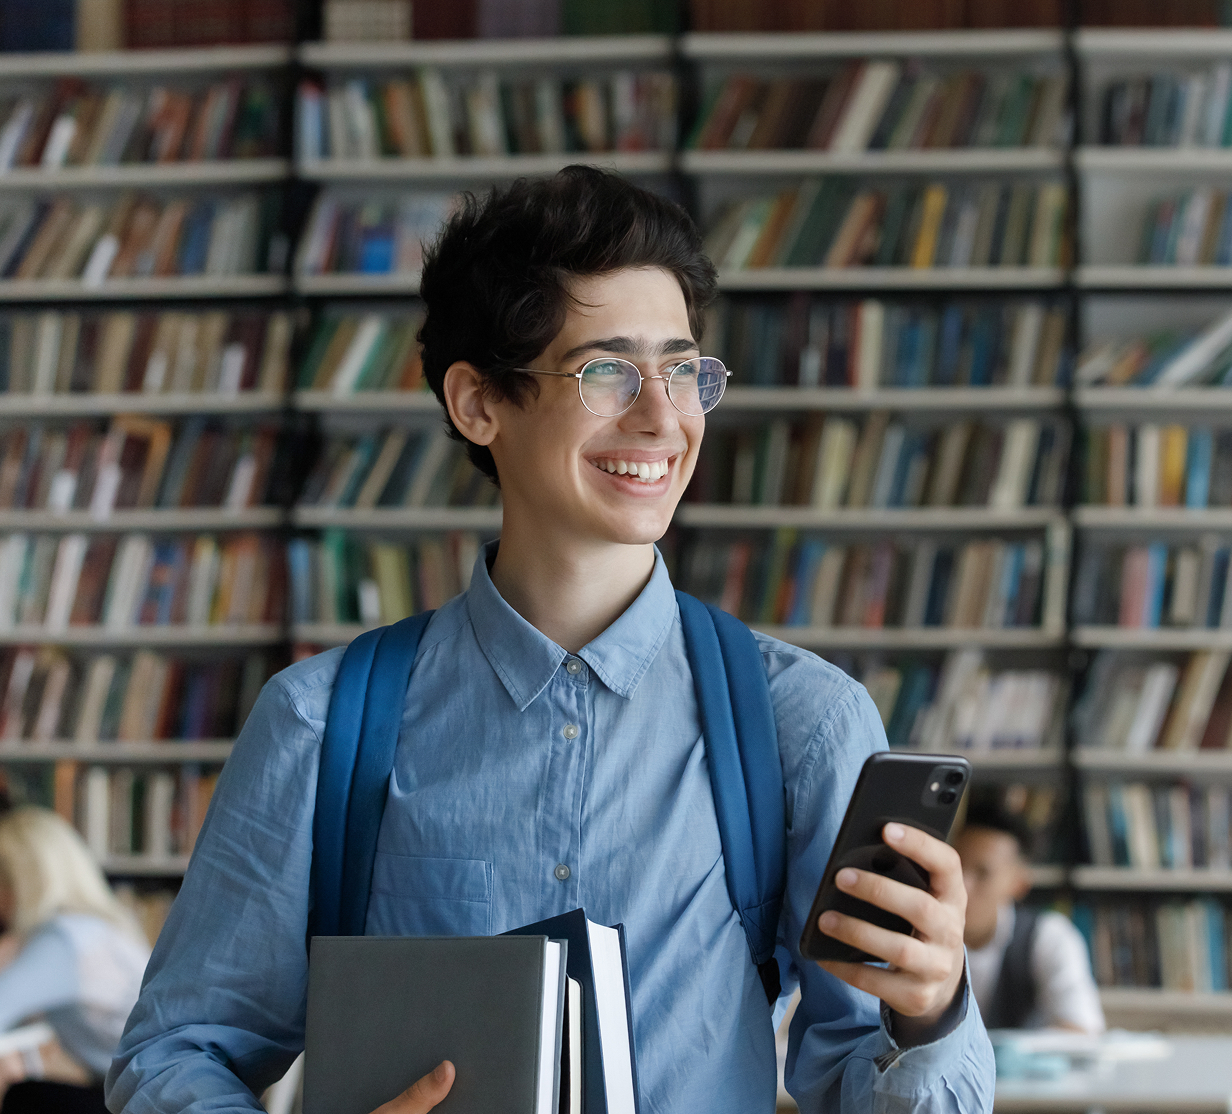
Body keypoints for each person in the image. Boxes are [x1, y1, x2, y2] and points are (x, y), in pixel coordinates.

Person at [106, 166, 995, 1114]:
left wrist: (929, 1016)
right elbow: (173, 1055)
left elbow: (867, 1082)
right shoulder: (319, 724)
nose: (663, 417)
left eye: (684, 369)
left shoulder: (802, 723)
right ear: (478, 402)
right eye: (607, 371)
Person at [0, 806, 150, 1113]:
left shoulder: (62, 939)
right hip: (155, 1095)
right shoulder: (96, 930)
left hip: (144, 1102)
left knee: (25, 1097)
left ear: (20, 881)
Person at [956, 800, 1104, 1034]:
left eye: (983, 873)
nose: (961, 885)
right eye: (955, 867)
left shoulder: (1049, 937)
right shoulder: (915, 934)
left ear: (1019, 883)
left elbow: (1082, 1029)